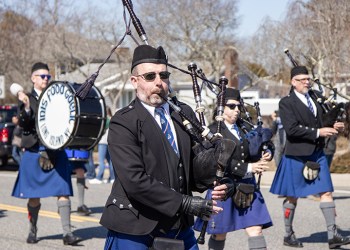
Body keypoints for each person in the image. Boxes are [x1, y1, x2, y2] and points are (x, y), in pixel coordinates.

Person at [99, 45, 239, 250]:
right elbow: (133, 180)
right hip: (135, 228)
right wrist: (185, 203)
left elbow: (194, 168)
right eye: (150, 76)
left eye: (163, 75)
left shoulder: (183, 114)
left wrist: (220, 180)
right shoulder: (124, 121)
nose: (158, 82)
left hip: (179, 227)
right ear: (134, 81)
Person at [269, 66, 350, 249]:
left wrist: (333, 125)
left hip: (317, 153)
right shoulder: (286, 103)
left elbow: (321, 122)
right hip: (296, 155)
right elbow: (291, 129)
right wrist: (318, 132)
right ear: (293, 82)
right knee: (292, 197)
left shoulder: (313, 99)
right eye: (303, 79)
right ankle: (288, 235)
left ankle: (333, 235)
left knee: (327, 192)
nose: (307, 82)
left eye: (308, 79)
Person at [11, 62, 82, 245]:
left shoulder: (56, 96)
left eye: (48, 77)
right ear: (33, 78)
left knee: (63, 192)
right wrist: (26, 107)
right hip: (34, 152)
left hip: (55, 151)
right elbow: (24, 124)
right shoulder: (26, 98)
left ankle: (67, 234)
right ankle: (33, 229)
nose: (46, 79)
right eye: (42, 76)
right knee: (34, 197)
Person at [194, 88, 273, 250]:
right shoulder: (212, 131)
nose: (237, 110)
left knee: (255, 229)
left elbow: (265, 140)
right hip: (223, 187)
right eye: (232, 106)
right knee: (220, 234)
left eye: (238, 106)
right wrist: (249, 167)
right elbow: (215, 161)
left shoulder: (244, 126)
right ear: (221, 108)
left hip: (247, 185)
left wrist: (268, 152)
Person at [89, 107, 115, 184]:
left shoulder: (106, 119)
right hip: (110, 142)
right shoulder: (113, 119)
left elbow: (101, 130)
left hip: (103, 142)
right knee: (110, 161)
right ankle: (112, 178)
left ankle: (99, 177)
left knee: (101, 161)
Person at [66, 149, 92, 216]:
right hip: (65, 147)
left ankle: (81, 206)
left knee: (80, 170)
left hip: (78, 147)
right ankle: (64, 204)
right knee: (65, 172)